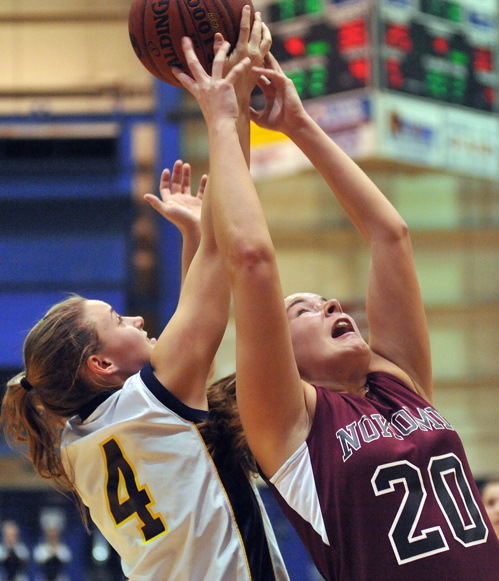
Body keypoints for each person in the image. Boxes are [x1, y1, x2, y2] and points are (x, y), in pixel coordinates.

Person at [173, 38, 499, 580]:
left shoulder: (396, 380)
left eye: (322, 301)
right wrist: (224, 123)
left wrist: (298, 123)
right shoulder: (291, 430)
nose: (327, 303)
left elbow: (389, 235)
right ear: (282, 357)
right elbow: (250, 259)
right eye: (302, 310)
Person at [0, 13, 290, 580]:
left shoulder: (81, 443)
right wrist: (226, 108)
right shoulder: (147, 404)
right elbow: (232, 253)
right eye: (116, 318)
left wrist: (199, 237)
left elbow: (203, 297)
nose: (134, 316)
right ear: (101, 363)